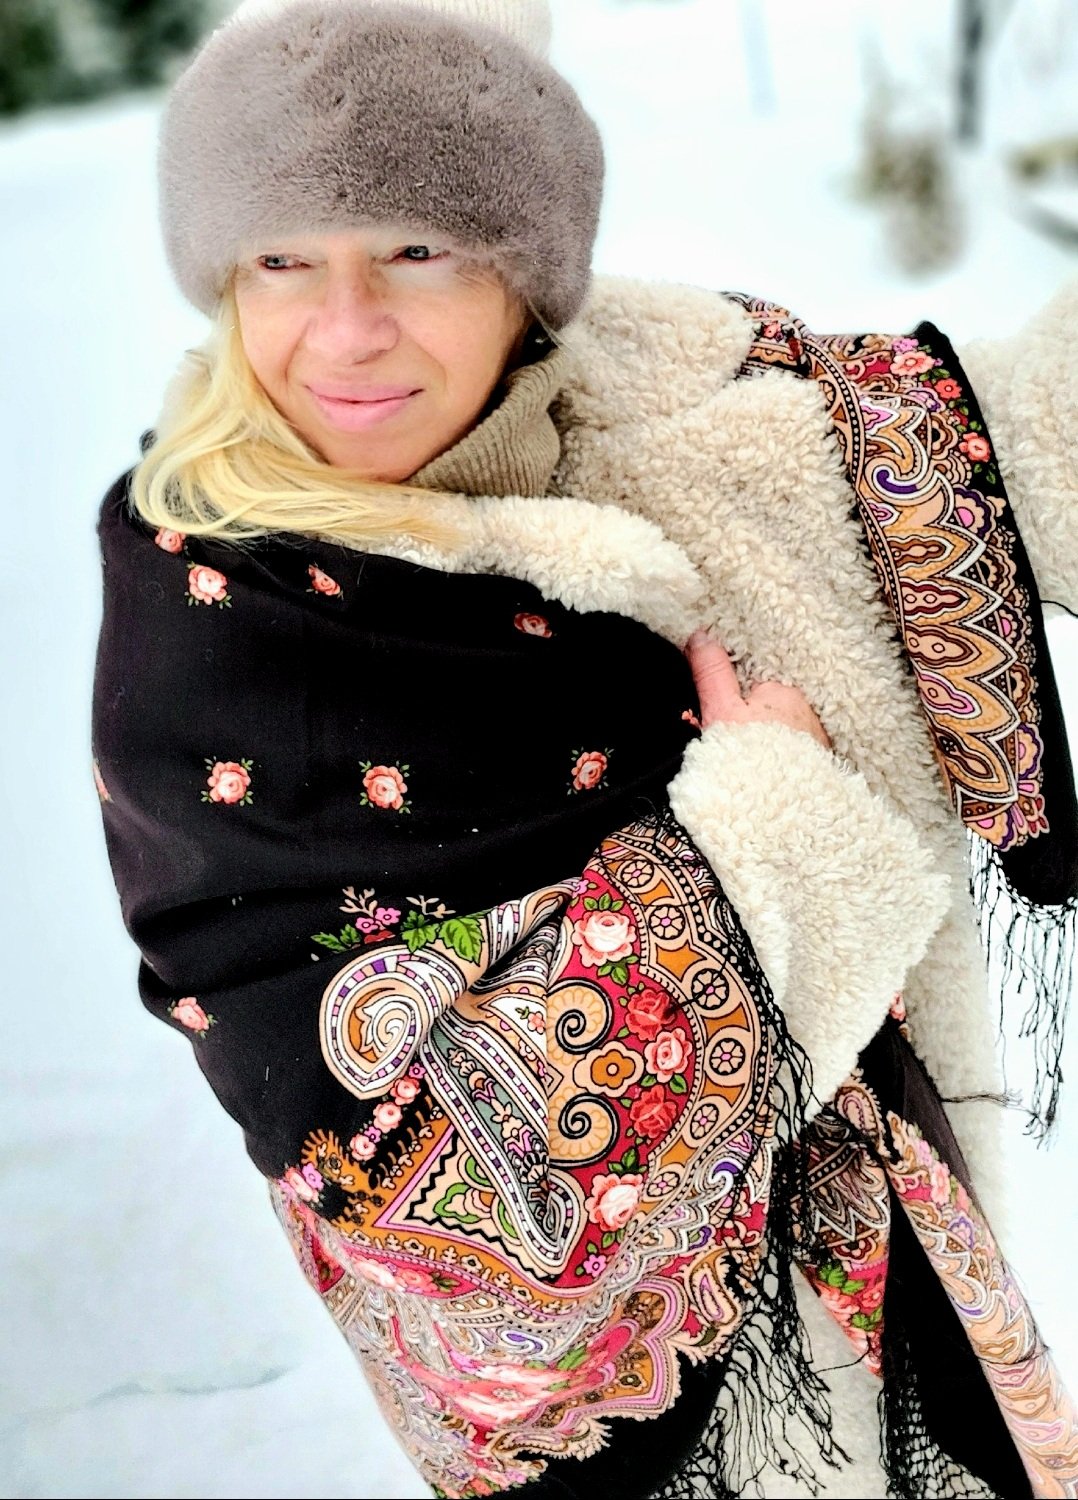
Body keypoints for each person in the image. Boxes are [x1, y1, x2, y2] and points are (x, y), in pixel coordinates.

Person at [91, 0, 1078, 1496]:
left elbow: (1039, 436)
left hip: (905, 1305)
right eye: (282, 257)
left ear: (528, 270)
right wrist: (766, 836)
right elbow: (453, 1228)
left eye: (416, 246)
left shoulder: (706, 413)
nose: (345, 329)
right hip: (679, 1439)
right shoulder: (225, 617)